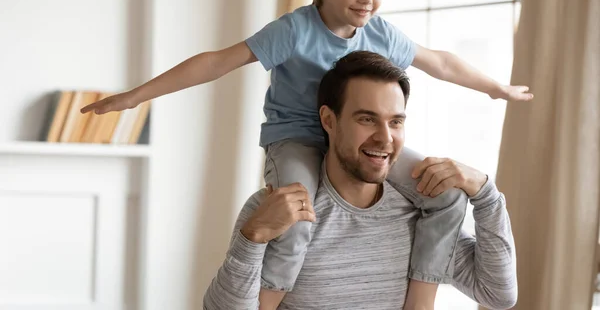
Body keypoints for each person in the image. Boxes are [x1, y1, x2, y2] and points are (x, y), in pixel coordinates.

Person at [81, 0, 529, 308]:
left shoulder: (380, 32)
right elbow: (217, 61)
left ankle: (422, 298)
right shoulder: (293, 31)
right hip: (297, 137)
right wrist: (136, 95)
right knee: (297, 219)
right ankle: (268, 303)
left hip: (354, 141)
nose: (367, 0)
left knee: (447, 197)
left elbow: (442, 62)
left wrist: (494, 88)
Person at [203, 51, 518, 309]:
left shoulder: (422, 215)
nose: (384, 138)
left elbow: (498, 295)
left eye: (395, 122)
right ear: (329, 120)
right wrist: (253, 235)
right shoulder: (277, 210)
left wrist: (486, 194)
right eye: (367, 119)